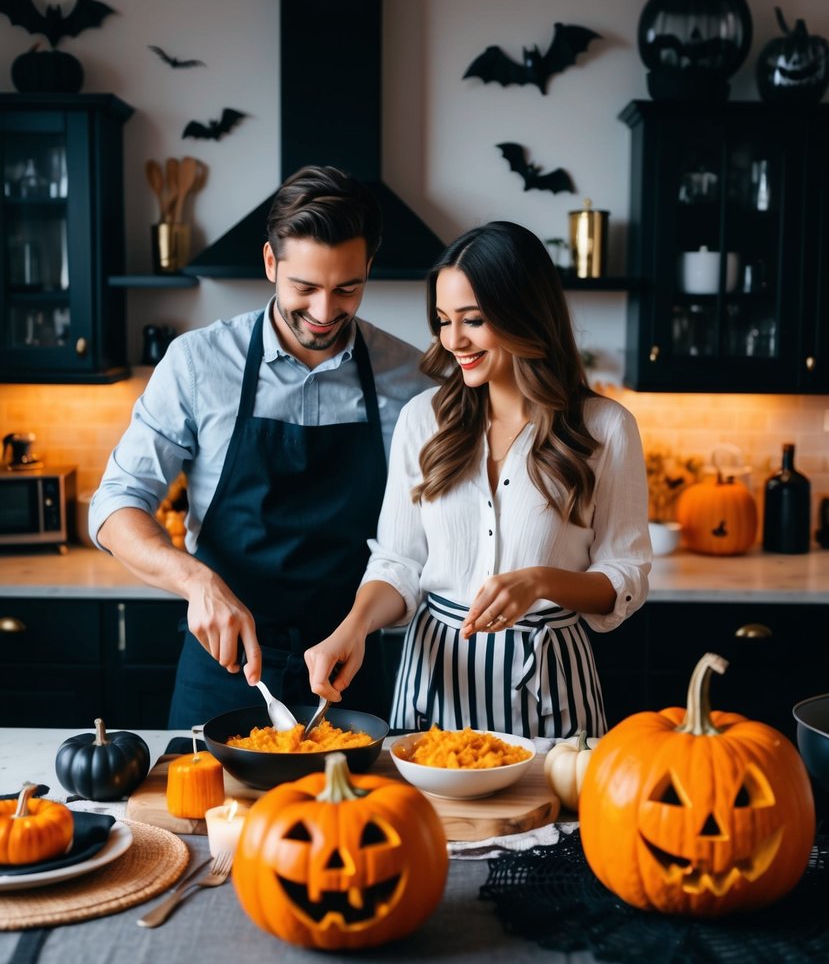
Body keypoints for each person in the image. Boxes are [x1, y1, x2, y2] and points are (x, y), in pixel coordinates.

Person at [90, 165, 432, 727]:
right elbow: (115, 505)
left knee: (355, 816)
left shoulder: (412, 379)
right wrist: (195, 581)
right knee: (206, 816)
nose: (325, 314)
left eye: (347, 288)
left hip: (351, 663)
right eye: (305, 288)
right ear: (271, 263)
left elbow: (424, 538)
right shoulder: (198, 363)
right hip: (223, 667)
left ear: (369, 268)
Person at [305, 220, 652, 738]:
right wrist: (352, 628)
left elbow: (627, 574)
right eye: (443, 321)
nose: (453, 340)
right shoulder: (423, 419)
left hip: (550, 687)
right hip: (434, 684)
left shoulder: (606, 427)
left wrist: (541, 580)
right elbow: (400, 560)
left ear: (524, 314)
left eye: (473, 320)